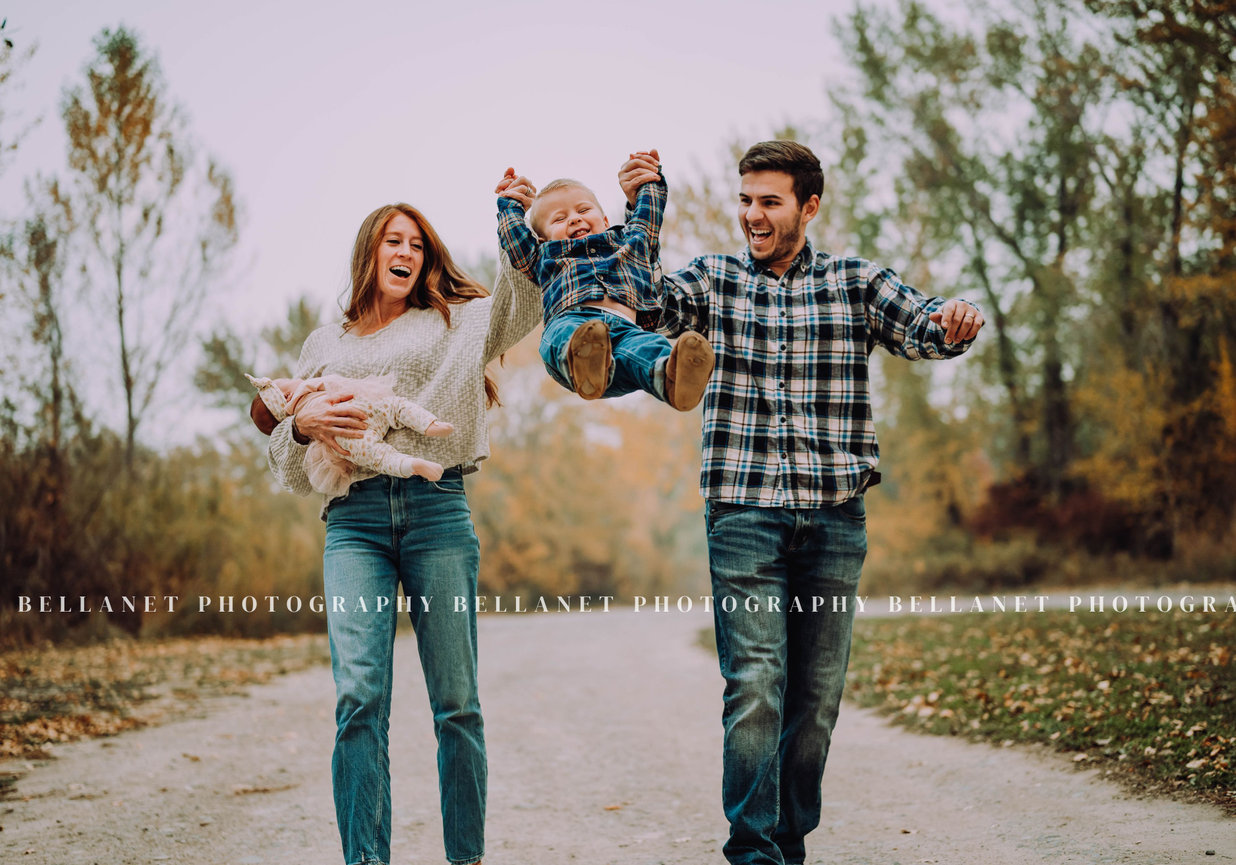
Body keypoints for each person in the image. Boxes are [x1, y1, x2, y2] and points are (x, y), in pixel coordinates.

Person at [618, 141, 984, 865]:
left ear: (808, 207)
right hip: (744, 518)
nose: (753, 215)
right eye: (746, 200)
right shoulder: (716, 280)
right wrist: (645, 205)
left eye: (770, 201)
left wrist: (955, 319)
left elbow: (922, 324)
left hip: (834, 523)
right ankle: (753, 851)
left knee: (814, 706)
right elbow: (648, 301)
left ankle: (788, 840)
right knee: (755, 688)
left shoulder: (854, 282)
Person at [259, 188, 541, 865]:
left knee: (457, 703)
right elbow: (286, 463)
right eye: (394, 241)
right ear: (369, 252)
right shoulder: (323, 342)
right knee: (359, 697)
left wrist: (517, 221)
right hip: (352, 523)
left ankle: (465, 857)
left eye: (417, 244)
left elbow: (524, 297)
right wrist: (300, 425)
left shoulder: (460, 320)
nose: (407, 252)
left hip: (438, 514)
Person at [495, 161, 714, 409]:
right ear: (543, 240)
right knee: (561, 334)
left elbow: (647, 219)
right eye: (559, 218)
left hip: (626, 331)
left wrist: (648, 182)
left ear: (605, 219)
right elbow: (514, 240)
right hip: (572, 321)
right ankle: (580, 360)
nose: (575, 219)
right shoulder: (544, 256)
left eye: (583, 210)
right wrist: (510, 204)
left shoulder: (627, 243)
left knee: (647, 347)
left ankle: (673, 377)